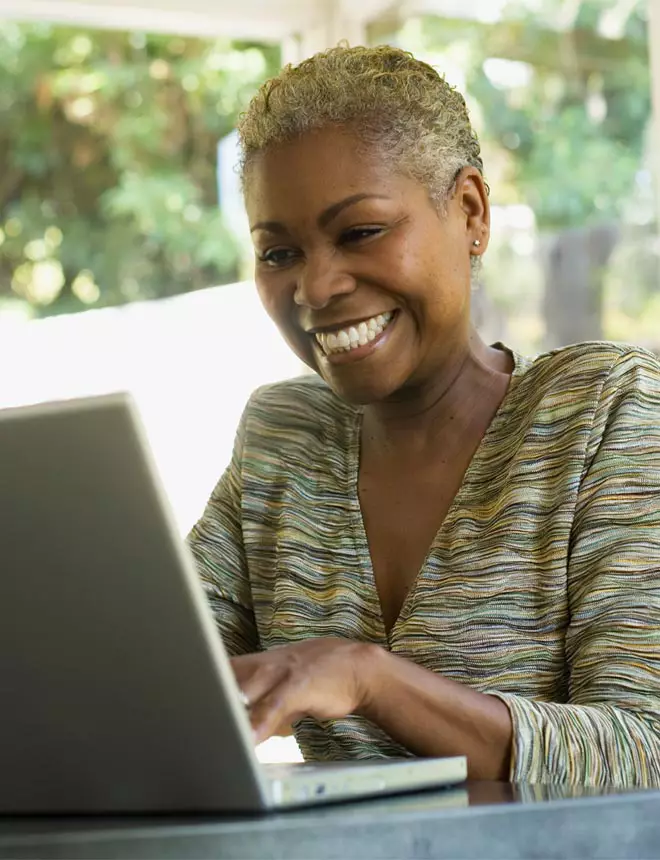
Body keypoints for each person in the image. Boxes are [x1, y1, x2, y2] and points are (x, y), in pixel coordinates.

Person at [187, 45, 660, 787]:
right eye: (279, 252)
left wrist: (370, 679)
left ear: (469, 212)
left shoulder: (603, 412)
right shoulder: (284, 437)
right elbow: (160, 674)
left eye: (360, 232)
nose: (316, 286)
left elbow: (646, 750)